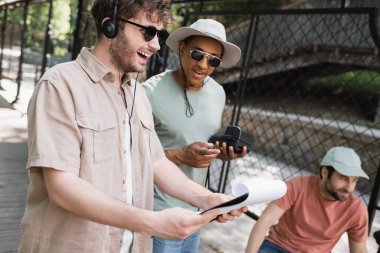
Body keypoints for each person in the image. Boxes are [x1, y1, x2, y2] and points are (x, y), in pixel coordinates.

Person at [18, 1, 247, 252]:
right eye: (147, 32)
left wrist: (210, 199)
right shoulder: (60, 84)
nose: (156, 45)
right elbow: (61, 187)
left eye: (159, 35)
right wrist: (152, 222)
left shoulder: (137, 92)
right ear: (110, 25)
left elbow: (155, 162)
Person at [143, 18, 248, 253]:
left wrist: (221, 154)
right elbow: (131, 154)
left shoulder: (217, 92)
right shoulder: (149, 93)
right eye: (198, 54)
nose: (204, 65)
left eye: (213, 60)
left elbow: (202, 142)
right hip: (160, 211)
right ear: (182, 49)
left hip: (198, 210)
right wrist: (180, 156)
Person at [245, 146, 369, 253]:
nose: (349, 188)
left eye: (355, 180)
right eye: (344, 178)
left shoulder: (356, 210)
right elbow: (264, 222)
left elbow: (359, 250)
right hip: (277, 247)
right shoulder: (297, 186)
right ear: (325, 172)